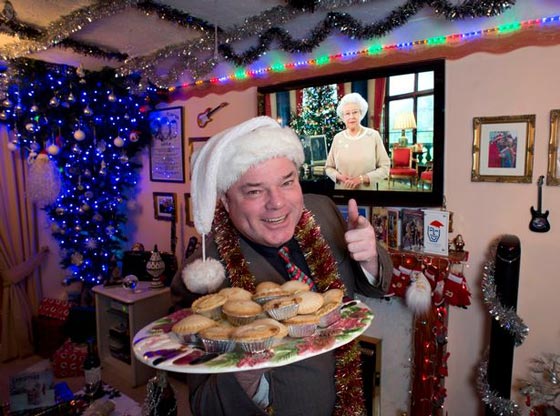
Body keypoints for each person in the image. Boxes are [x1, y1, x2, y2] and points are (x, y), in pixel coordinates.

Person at [170, 116, 392, 416]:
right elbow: (205, 406)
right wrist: (245, 366)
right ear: (225, 200)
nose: (277, 203)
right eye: (254, 191)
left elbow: (373, 287)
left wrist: (370, 259)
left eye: (287, 182)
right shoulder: (203, 281)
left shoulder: (323, 211)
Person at [325, 92, 390, 190]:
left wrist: (362, 179)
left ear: (361, 113)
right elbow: (328, 168)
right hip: (342, 192)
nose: (351, 117)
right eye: (347, 113)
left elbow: (385, 168)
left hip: (367, 193)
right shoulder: (337, 138)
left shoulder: (373, 136)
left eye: (355, 112)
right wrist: (340, 177)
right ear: (343, 117)